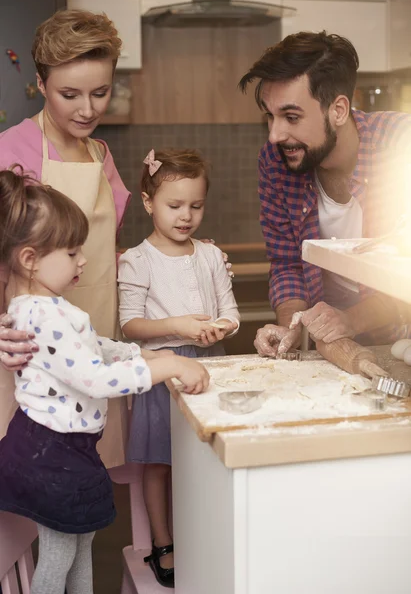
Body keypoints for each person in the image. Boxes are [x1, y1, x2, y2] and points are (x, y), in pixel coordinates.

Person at [0, 168, 209, 594]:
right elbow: (95, 377)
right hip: (51, 456)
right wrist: (168, 367)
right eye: (72, 252)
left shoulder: (43, 307)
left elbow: (92, 347)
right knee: (60, 554)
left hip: (64, 451)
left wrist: (143, 354)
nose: (84, 261)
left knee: (80, 544)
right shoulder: (43, 315)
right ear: (29, 259)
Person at [0, 9, 132, 466]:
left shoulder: (101, 153)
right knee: (23, 488)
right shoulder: (10, 150)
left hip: (91, 336)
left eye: (100, 92)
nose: (88, 109)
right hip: (27, 352)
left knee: (79, 479)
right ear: (40, 84)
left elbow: (103, 247)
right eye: (69, 94)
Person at [238, 30, 411, 358]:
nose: (275, 135)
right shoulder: (275, 161)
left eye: (291, 117)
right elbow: (287, 263)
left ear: (339, 110)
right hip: (331, 343)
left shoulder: (401, 145)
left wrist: (350, 319)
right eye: (269, 116)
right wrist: (291, 328)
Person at [118, 148, 240, 588]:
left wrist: (218, 330)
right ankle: (163, 543)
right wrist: (178, 327)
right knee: (160, 462)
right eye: (174, 206)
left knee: (205, 458)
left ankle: (203, 535)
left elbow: (230, 312)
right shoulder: (137, 259)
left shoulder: (209, 255)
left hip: (210, 368)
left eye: (196, 205)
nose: (186, 216)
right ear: (149, 202)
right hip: (160, 372)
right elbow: (129, 325)